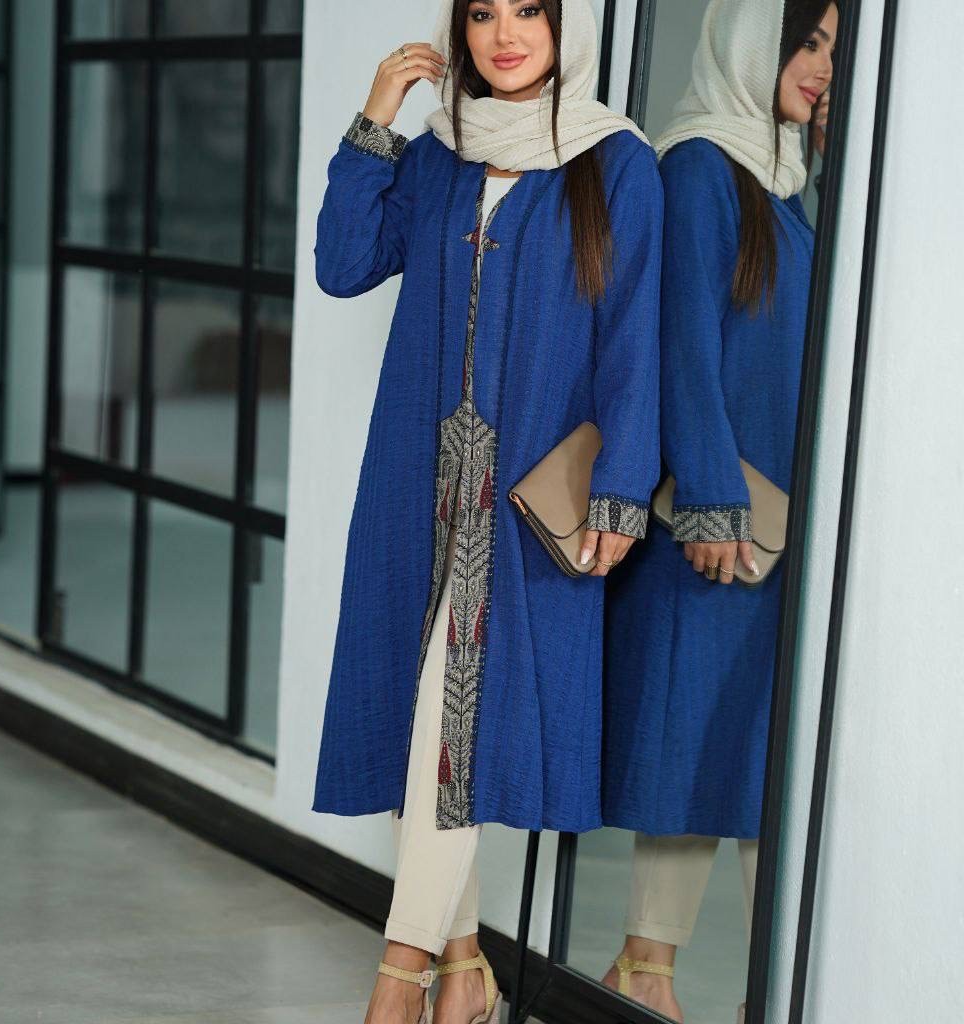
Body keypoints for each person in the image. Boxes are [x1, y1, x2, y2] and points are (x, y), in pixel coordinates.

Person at [310, 1, 664, 1021]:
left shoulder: (615, 162)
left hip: (521, 504)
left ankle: (399, 983)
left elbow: (635, 338)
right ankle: (462, 970)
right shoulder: (437, 154)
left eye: (529, 9)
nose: (504, 33)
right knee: (408, 714)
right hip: (412, 482)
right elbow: (343, 265)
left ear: (566, 24)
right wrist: (376, 118)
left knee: (456, 726)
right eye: (481, 11)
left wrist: (623, 490)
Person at [598, 1, 837, 1020]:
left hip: (778, 522)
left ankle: (660, 968)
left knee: (735, 745)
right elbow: (682, 343)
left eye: (833, 50)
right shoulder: (700, 167)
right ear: (750, 38)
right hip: (720, 518)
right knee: (708, 737)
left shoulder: (787, 181)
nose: (821, 66)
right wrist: (707, 502)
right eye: (807, 41)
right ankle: (718, 978)